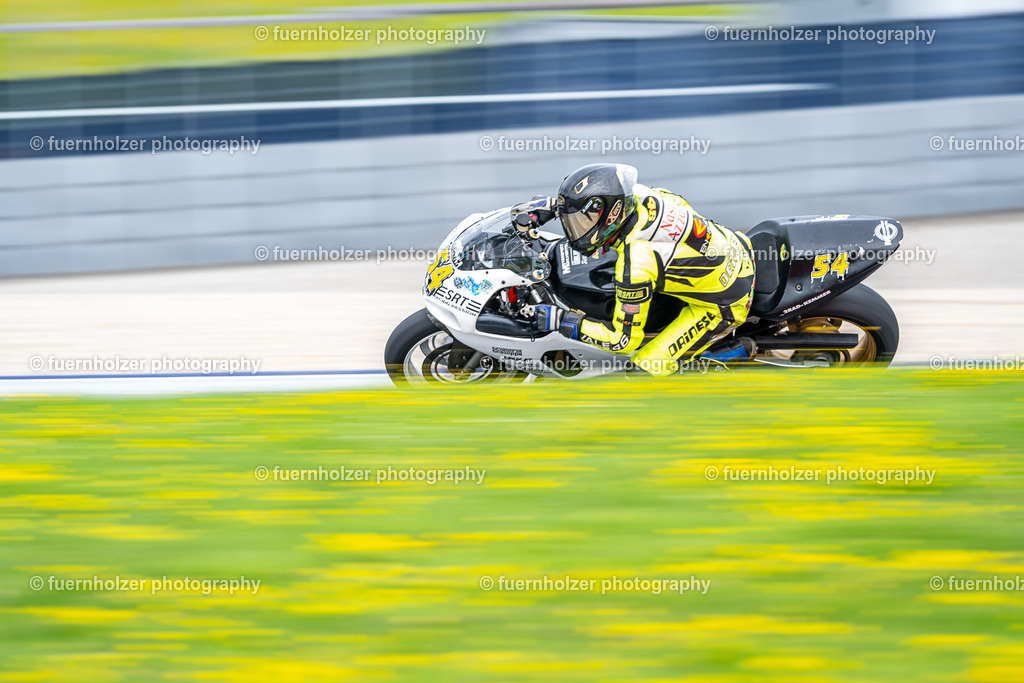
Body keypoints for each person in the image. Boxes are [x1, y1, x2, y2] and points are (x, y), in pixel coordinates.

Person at [513, 163, 756, 375]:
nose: (575, 228)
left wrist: (562, 321)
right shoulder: (640, 195)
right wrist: (555, 207)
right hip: (734, 245)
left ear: (611, 216)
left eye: (581, 221)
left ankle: (721, 358)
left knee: (641, 373)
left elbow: (622, 341)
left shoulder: (637, 263)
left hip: (725, 302)